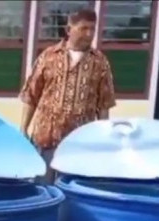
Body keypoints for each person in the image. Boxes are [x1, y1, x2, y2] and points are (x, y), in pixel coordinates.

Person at [20, 7, 116, 183]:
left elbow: (104, 105)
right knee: (43, 189)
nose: (88, 34)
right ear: (69, 29)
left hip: (79, 145)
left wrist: (102, 139)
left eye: (92, 29)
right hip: (46, 139)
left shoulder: (100, 62)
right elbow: (31, 94)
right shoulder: (48, 56)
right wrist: (23, 129)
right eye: (83, 28)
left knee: (71, 192)